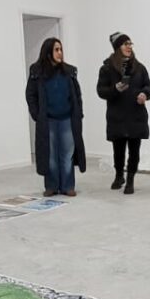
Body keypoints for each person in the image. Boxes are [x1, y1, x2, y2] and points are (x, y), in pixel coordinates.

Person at [26, 38, 86, 196]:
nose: (60, 53)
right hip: (48, 120)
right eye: (56, 50)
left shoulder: (69, 72)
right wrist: (37, 115)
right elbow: (30, 95)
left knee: (67, 154)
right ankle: (51, 186)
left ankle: (67, 186)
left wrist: (79, 113)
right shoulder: (37, 72)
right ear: (48, 53)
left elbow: (77, 95)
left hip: (67, 119)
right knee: (51, 155)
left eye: (61, 49)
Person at [96, 32, 150, 195]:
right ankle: (119, 175)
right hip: (117, 116)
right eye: (125, 44)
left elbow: (148, 86)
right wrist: (115, 89)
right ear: (117, 47)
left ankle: (130, 180)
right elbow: (101, 91)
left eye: (130, 44)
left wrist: (144, 94)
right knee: (118, 151)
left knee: (134, 151)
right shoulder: (107, 69)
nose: (129, 47)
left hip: (136, 115)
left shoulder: (139, 68)